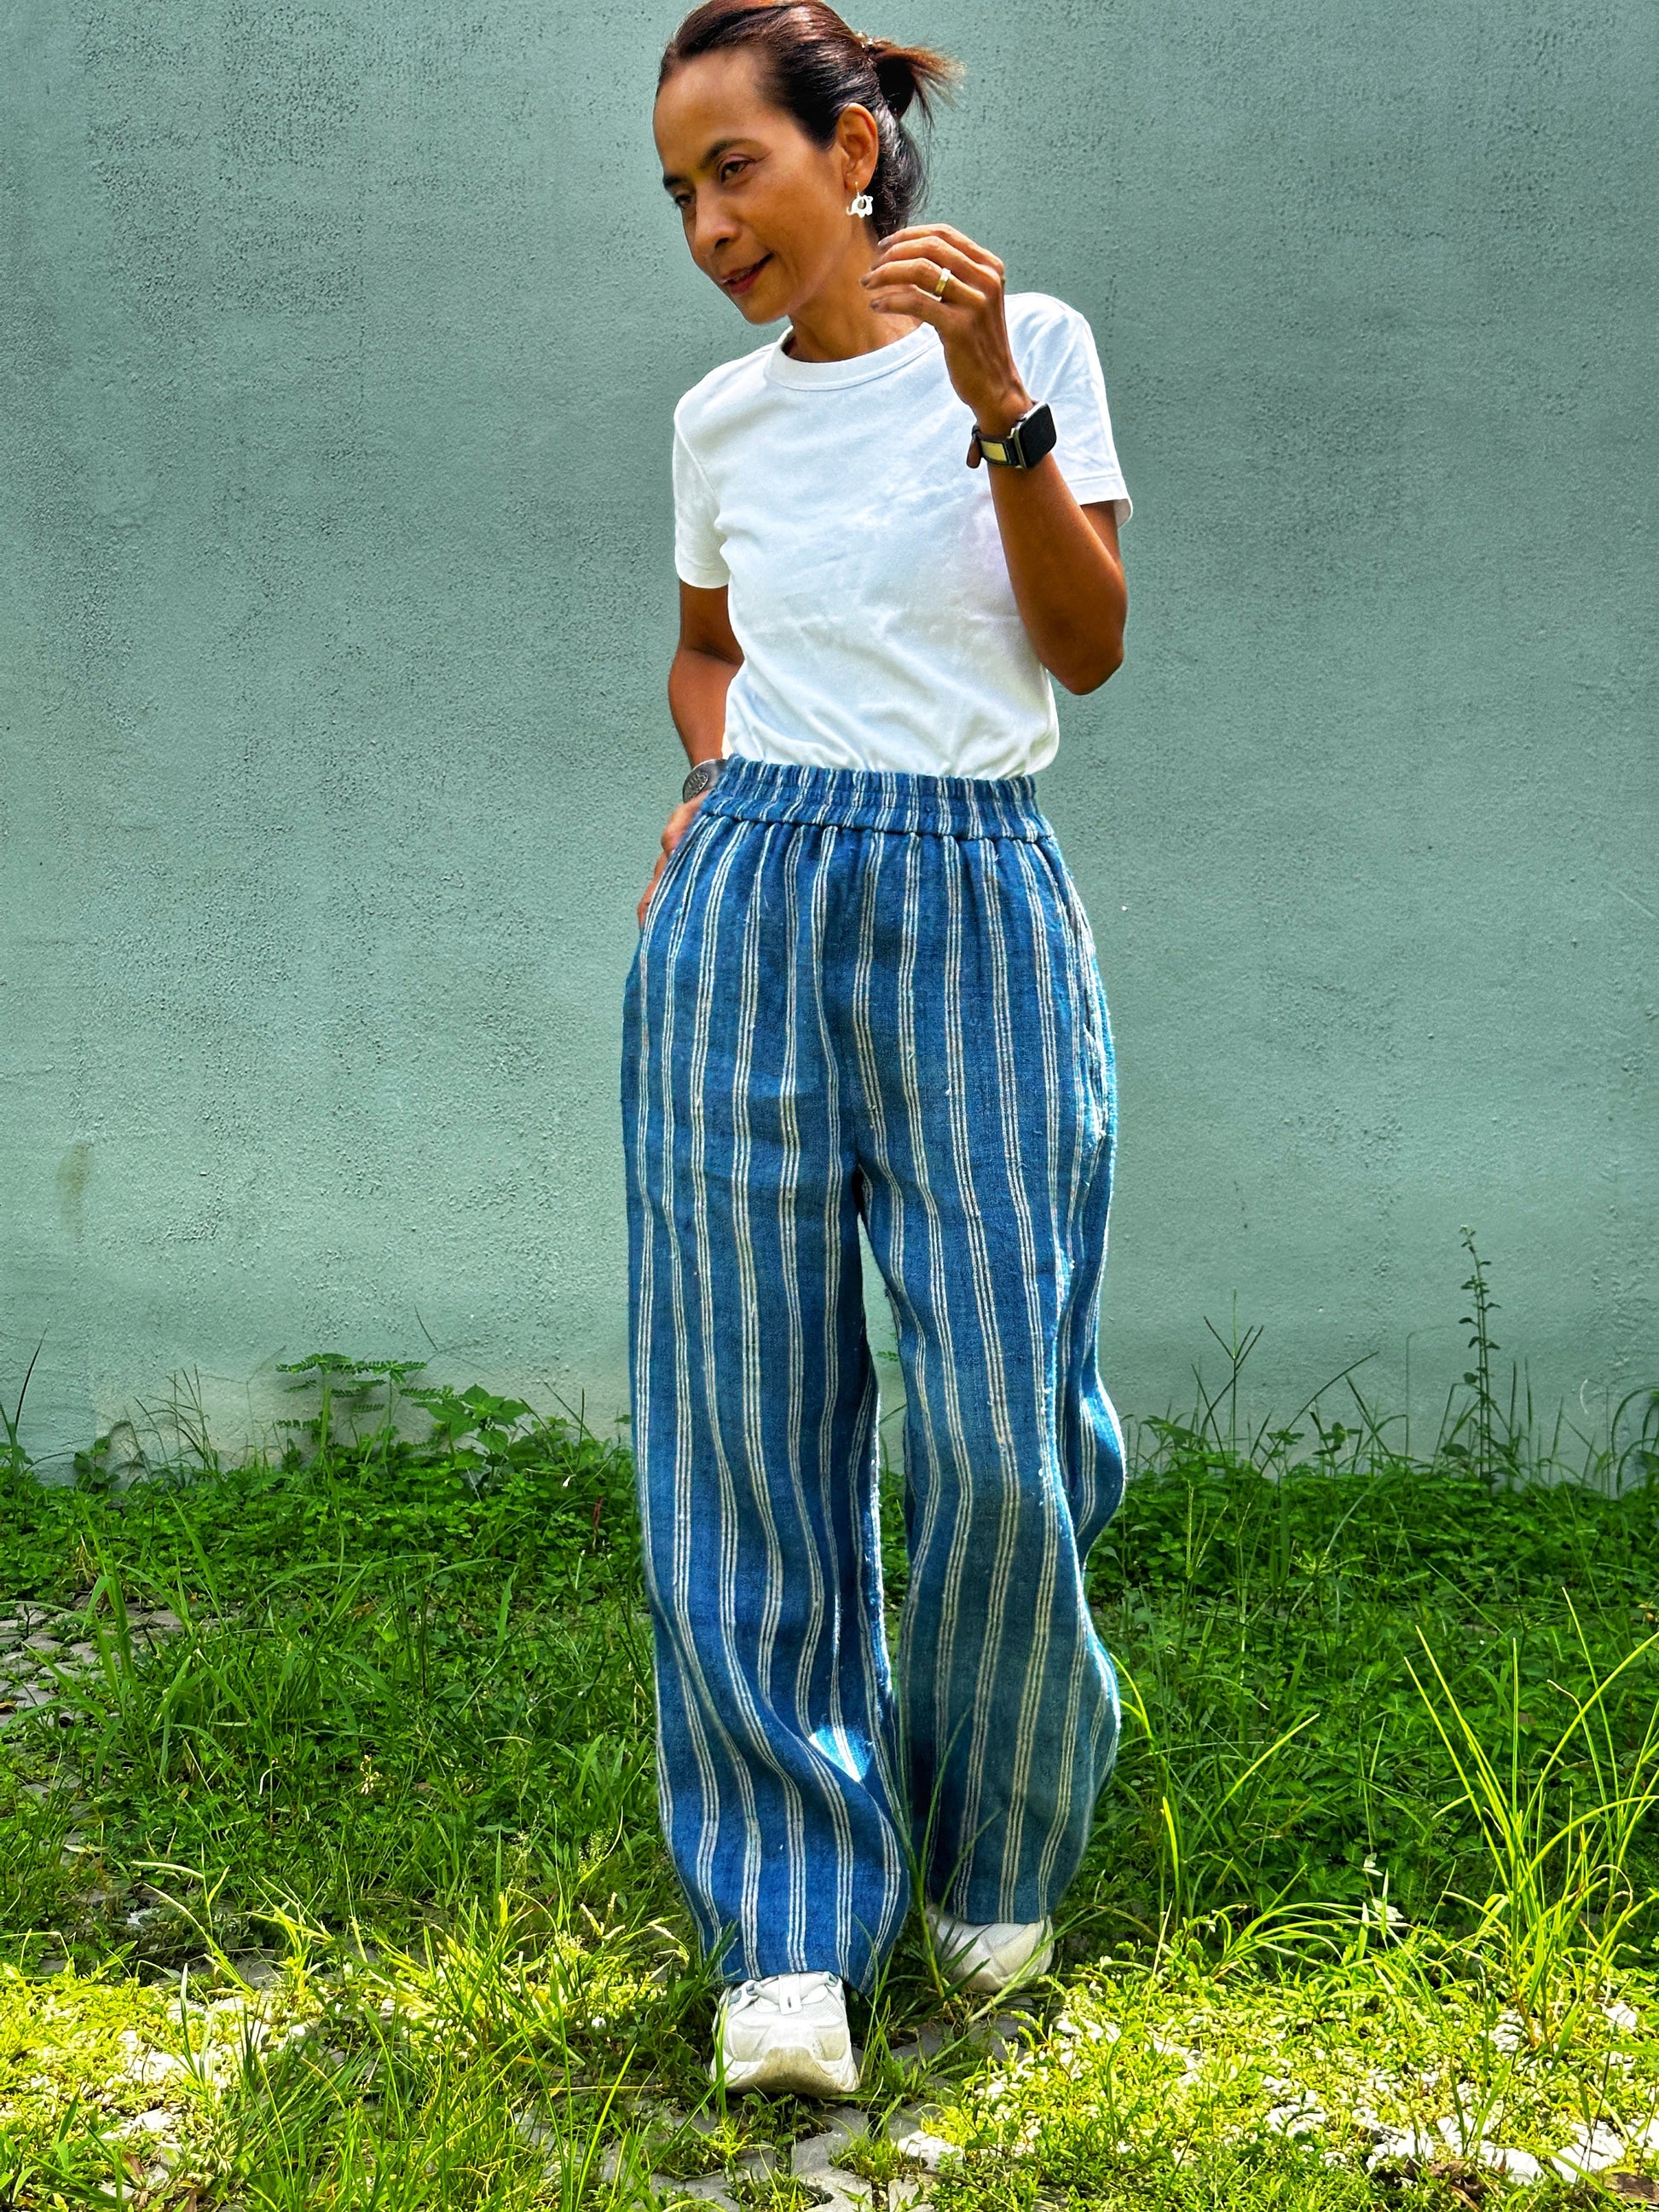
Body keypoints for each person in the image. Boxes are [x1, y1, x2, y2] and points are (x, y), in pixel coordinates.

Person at [622, 0, 1132, 2097]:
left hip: (978, 894)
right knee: (742, 1411)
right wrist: (709, 774)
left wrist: (997, 399)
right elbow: (706, 648)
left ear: (852, 151)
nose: (704, 224)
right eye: (675, 193)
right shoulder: (716, 421)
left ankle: (995, 1839)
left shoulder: (1040, 348)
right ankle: (786, 1925)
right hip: (743, 903)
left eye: (731, 168)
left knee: (1006, 1411)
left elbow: (1084, 647)